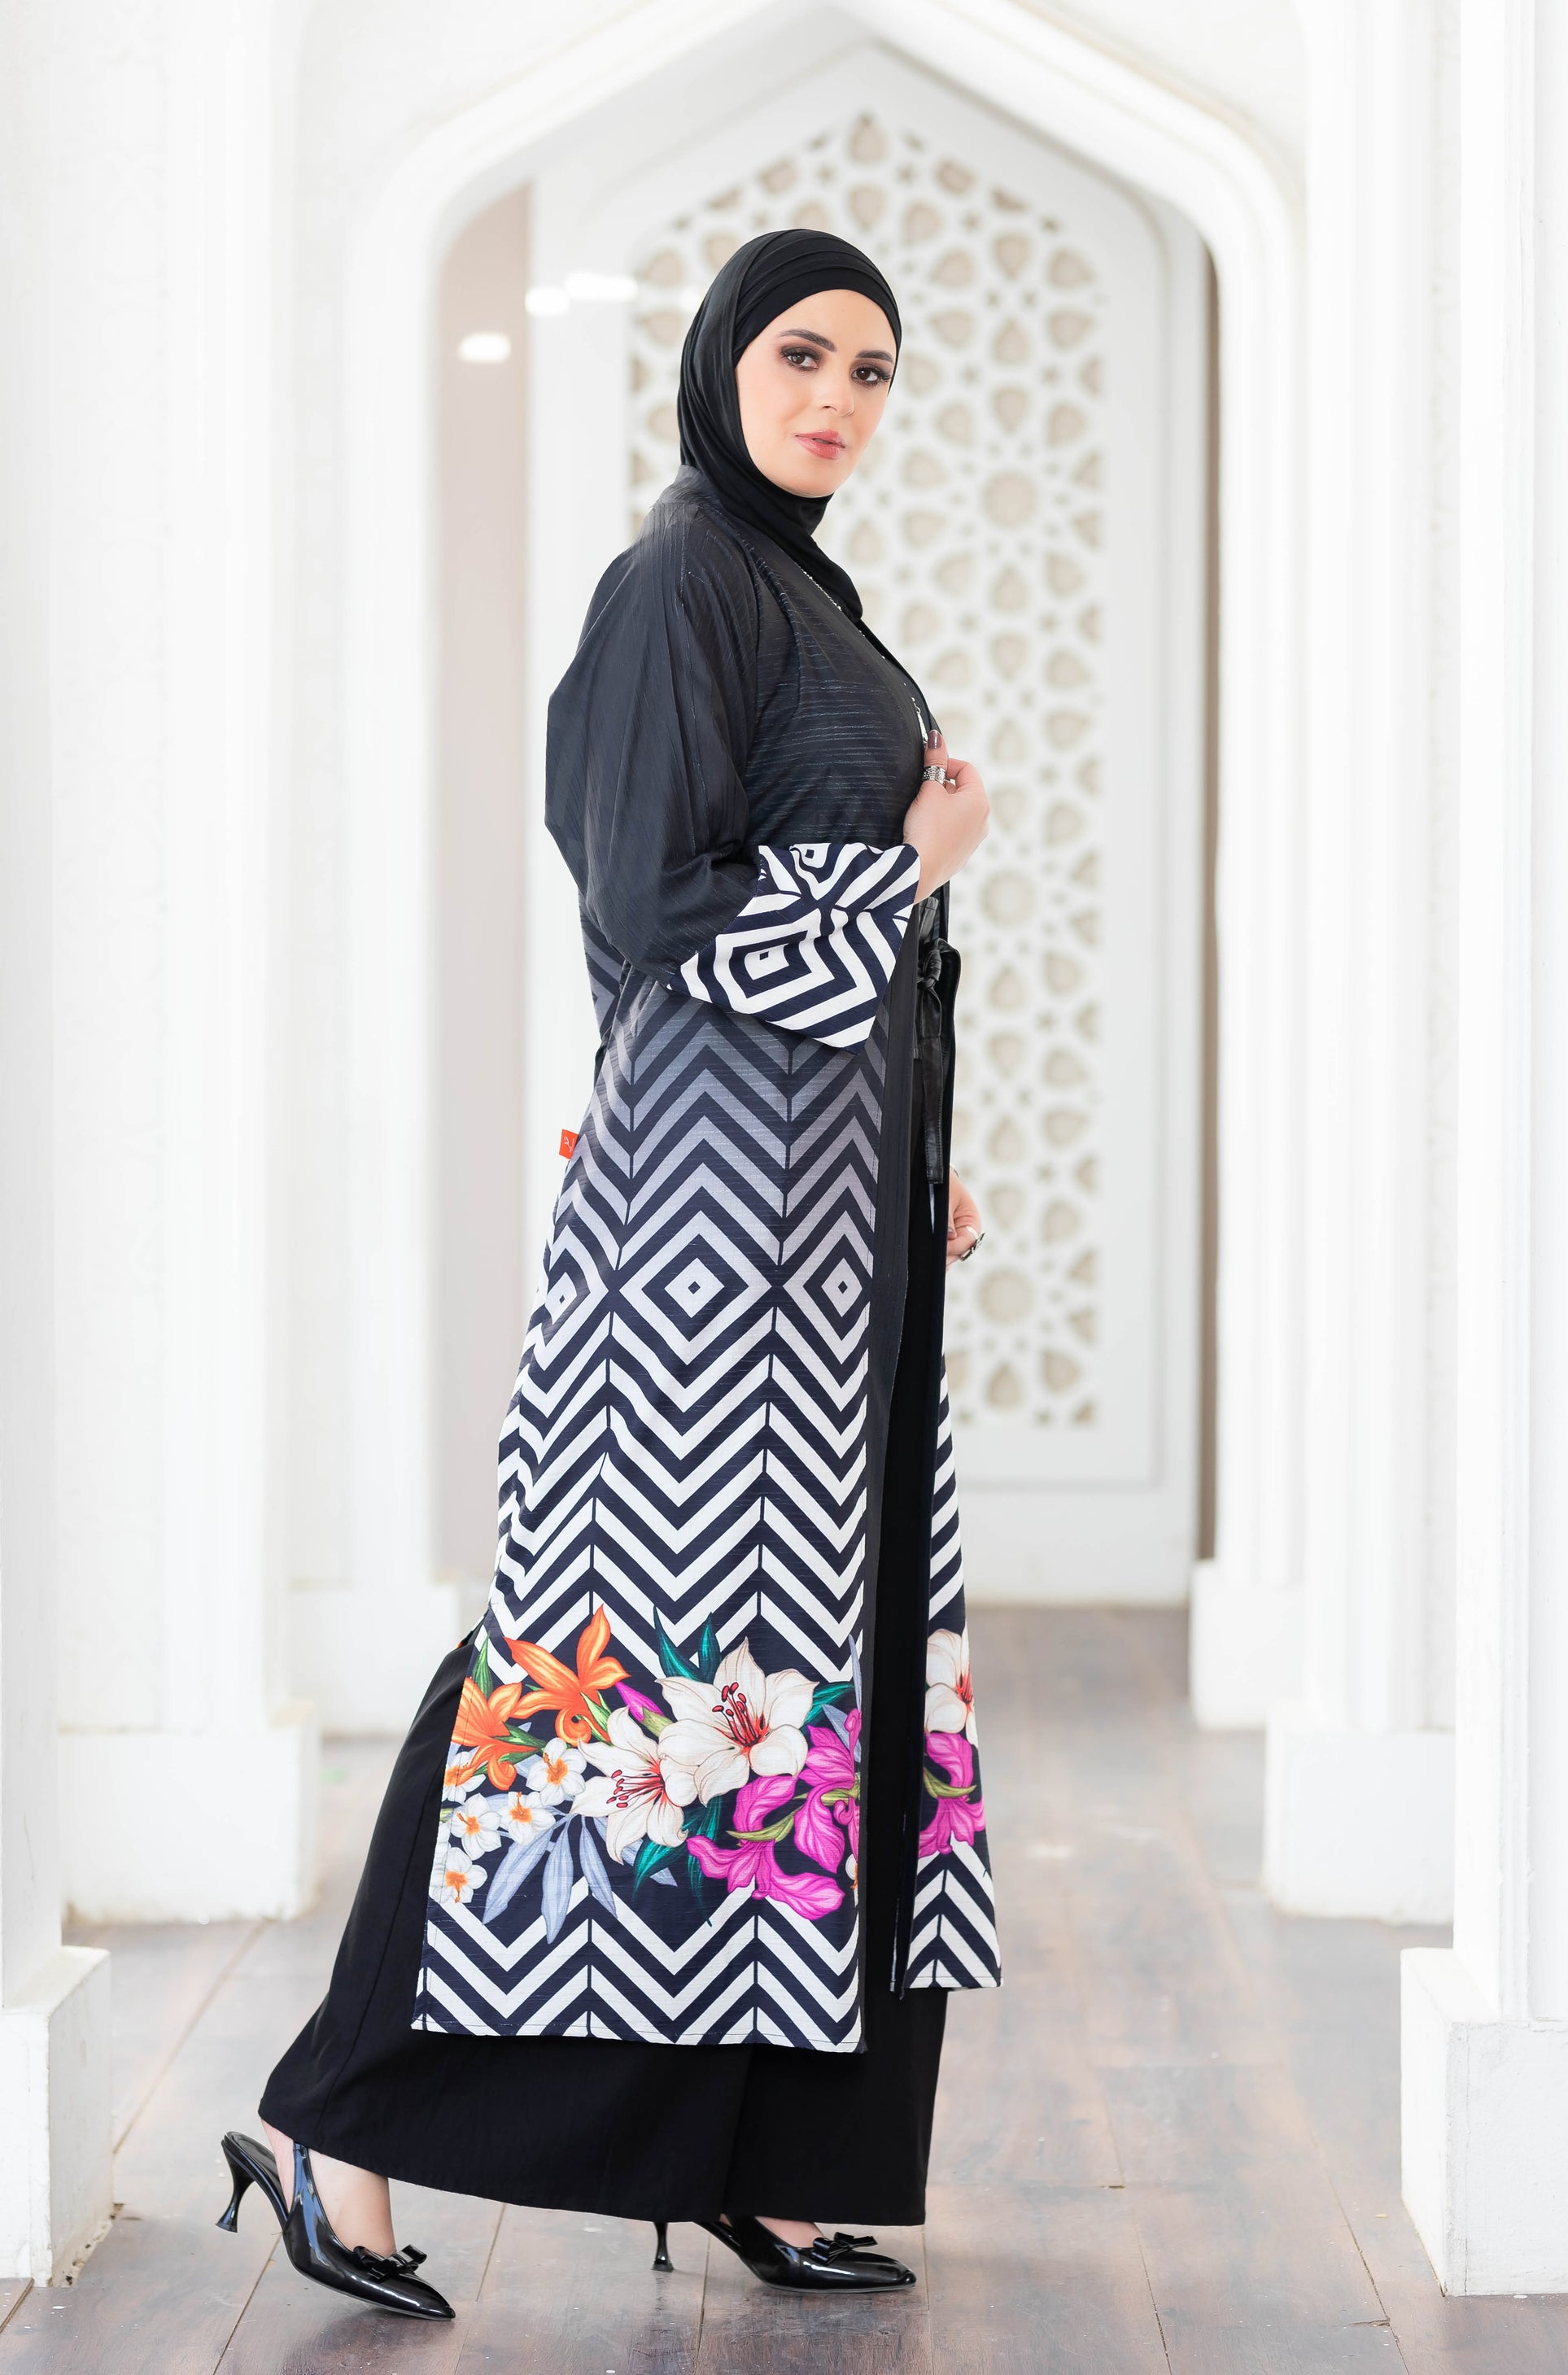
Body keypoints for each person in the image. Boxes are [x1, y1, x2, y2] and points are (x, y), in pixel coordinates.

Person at [218, 227, 1000, 2321]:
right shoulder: (676, 583)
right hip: (695, 1256)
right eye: (802, 353)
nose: (836, 396)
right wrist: (904, 870)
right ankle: (343, 2136)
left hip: (824, 1243)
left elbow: (798, 948)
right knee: (570, 1691)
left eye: (874, 371)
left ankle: (752, 2147)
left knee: (797, 1707)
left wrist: (922, 1162)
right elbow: (661, 913)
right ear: (722, 362)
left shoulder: (802, 594)